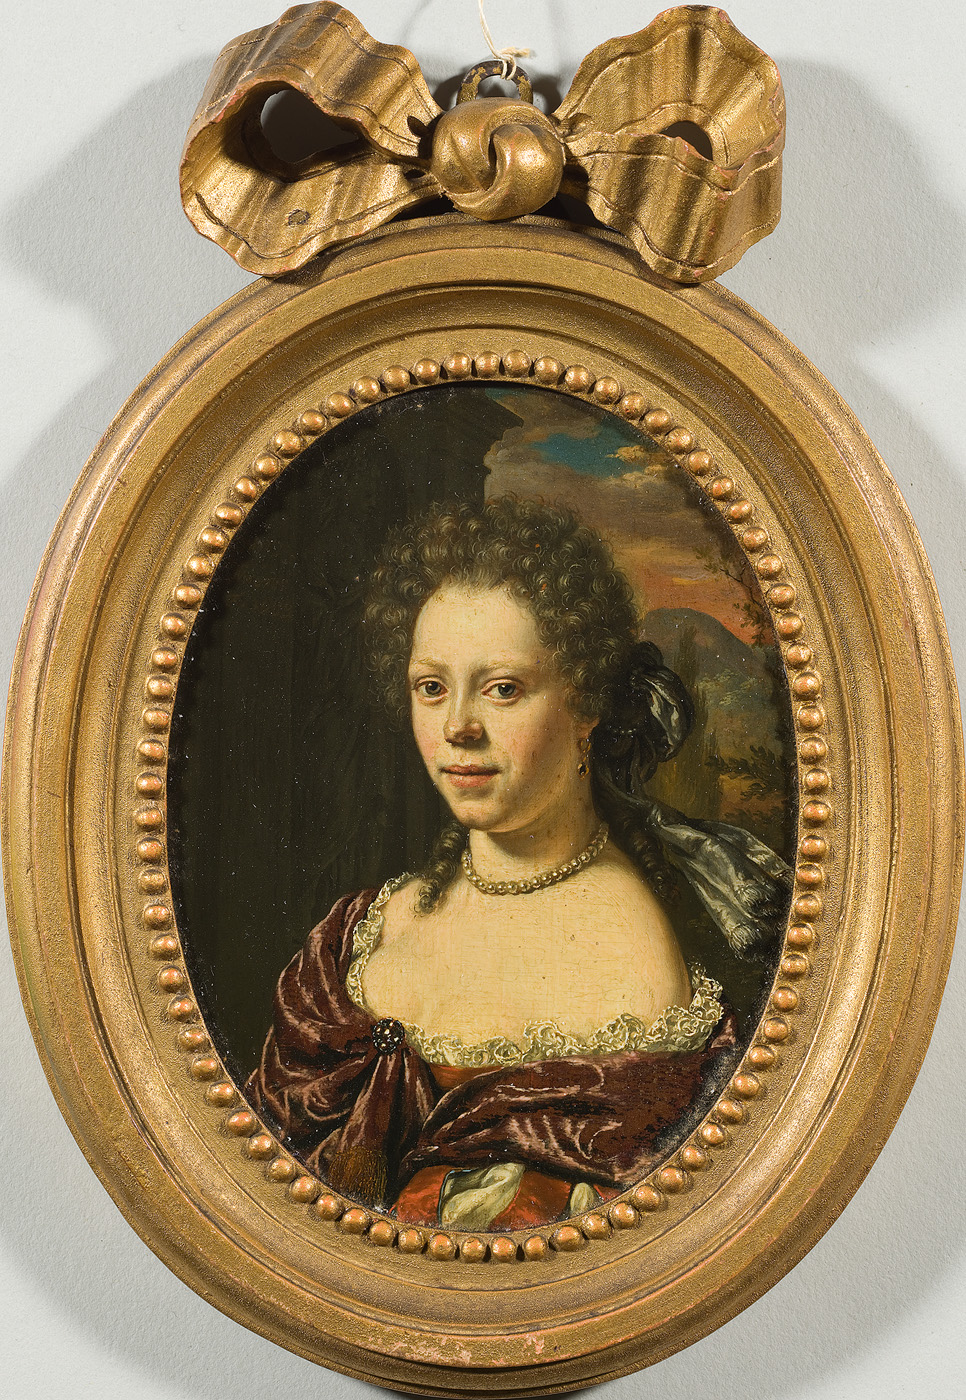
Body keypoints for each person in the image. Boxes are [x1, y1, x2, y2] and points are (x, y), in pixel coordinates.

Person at [246, 497, 789, 1231]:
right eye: (431, 688)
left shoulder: (632, 960)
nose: (458, 727)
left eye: (502, 689)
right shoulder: (361, 928)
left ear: (588, 704)